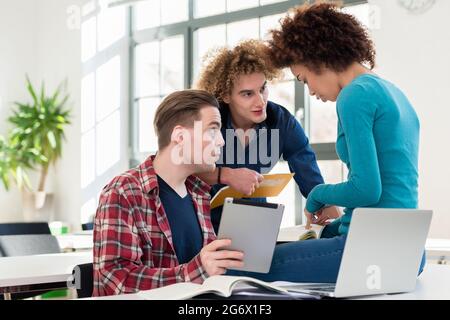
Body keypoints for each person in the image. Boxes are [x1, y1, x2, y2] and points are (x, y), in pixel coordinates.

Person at [263, 2, 426, 274]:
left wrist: (317, 193)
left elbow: (367, 189)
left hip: (370, 247)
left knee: (248, 264)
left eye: (304, 79)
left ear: (318, 57)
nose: (311, 91)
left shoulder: (354, 95)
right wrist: (337, 226)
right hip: (409, 250)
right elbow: (391, 191)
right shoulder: (393, 91)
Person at [93, 90, 245, 296]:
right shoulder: (123, 192)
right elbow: (117, 281)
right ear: (180, 136)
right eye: (212, 130)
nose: (221, 141)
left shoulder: (199, 193)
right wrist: (197, 270)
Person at [194, 39, 340, 234]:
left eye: (262, 89)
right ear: (226, 95)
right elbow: (180, 169)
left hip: (254, 219)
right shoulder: (206, 121)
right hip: (201, 220)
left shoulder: (282, 121)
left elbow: (306, 167)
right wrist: (226, 175)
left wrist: (324, 203)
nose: (260, 101)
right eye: (247, 94)